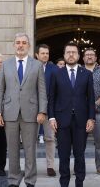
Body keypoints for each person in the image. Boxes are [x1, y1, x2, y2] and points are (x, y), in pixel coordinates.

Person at [0, 33, 47, 187]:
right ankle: (13, 179)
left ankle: (30, 180)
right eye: (18, 42)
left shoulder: (36, 65)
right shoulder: (6, 64)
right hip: (9, 112)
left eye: (24, 42)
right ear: (14, 45)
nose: (21, 45)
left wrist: (42, 111)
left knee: (30, 149)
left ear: (29, 46)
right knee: (12, 149)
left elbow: (42, 90)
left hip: (31, 112)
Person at [48, 42, 95, 187]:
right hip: (62, 120)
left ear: (78, 55)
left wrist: (91, 118)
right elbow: (52, 97)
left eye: (74, 52)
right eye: (68, 52)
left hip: (81, 121)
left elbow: (91, 98)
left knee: (80, 155)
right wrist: (51, 117)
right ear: (64, 55)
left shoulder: (86, 74)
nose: (71, 55)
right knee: (63, 155)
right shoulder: (56, 73)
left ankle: (79, 183)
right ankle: (64, 183)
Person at [35, 44, 58, 177]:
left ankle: (50, 166)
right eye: (42, 53)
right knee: (31, 139)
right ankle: (31, 166)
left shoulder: (54, 69)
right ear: (37, 55)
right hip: (32, 109)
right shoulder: (30, 67)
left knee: (50, 138)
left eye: (47, 53)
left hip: (50, 109)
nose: (45, 55)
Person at [85, 48, 100, 176]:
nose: (89, 57)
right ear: (83, 58)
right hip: (81, 113)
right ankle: (79, 166)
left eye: (92, 55)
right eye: (87, 55)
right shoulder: (79, 71)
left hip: (98, 112)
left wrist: (96, 103)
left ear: (96, 57)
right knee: (79, 142)